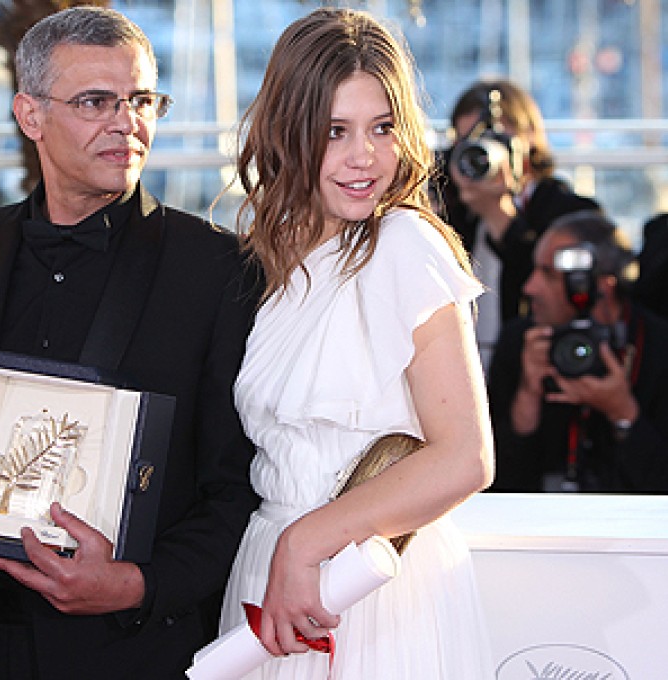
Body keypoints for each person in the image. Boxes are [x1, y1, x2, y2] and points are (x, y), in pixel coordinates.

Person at [0, 7, 259, 679]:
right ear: (30, 116)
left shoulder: (216, 268)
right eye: (95, 101)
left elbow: (235, 489)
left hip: (128, 652)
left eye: (142, 99)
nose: (126, 122)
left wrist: (138, 585)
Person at [217, 8, 495, 678]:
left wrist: (308, 541)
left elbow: (465, 457)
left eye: (381, 129)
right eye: (335, 132)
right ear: (290, 133)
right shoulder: (273, 259)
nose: (363, 157)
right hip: (271, 568)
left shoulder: (404, 243)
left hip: (371, 587)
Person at [488, 210, 668, 492]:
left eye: (548, 274)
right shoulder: (520, 342)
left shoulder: (658, 348)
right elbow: (493, 483)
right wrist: (527, 398)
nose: (529, 287)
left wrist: (623, 413)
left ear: (601, 288)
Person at [438, 78, 600, 369]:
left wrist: (498, 215)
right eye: (470, 145)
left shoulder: (570, 214)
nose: (482, 157)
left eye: (495, 142)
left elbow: (554, 298)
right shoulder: (452, 215)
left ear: (528, 140)